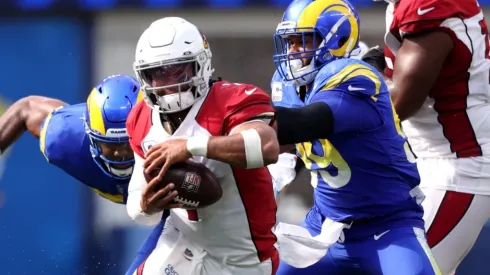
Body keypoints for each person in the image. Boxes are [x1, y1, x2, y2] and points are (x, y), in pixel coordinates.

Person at [269, 0, 440, 274]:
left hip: (387, 227)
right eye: (289, 42)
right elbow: (285, 145)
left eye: (302, 41)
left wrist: (241, 120)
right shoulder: (288, 84)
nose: (293, 51)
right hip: (324, 226)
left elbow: (306, 122)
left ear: (335, 38)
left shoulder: (355, 76)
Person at [125, 16, 280, 275]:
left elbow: (266, 148)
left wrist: (191, 146)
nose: (168, 83)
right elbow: (137, 205)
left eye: (177, 71)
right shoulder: (141, 118)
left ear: (201, 64)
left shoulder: (230, 101)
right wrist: (147, 205)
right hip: (183, 242)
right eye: (157, 74)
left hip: (242, 256)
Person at [362, 0, 490, 274]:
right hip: (429, 162)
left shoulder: (429, 6)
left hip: (460, 167)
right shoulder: (404, 5)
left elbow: (400, 104)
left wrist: (363, 79)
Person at [0, 74, 141, 203]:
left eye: (127, 143)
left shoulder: (161, 138)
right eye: (111, 145)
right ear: (91, 137)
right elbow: (25, 109)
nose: (121, 154)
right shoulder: (64, 135)